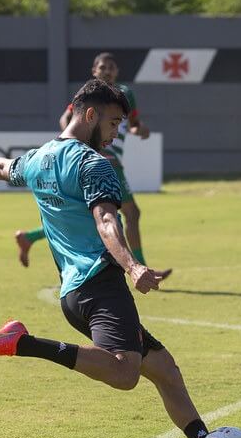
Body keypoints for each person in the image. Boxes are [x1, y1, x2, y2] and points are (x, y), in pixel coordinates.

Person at [0, 79, 218, 438]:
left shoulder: (40, 158)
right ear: (90, 114)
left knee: (164, 370)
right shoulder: (94, 165)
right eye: (112, 123)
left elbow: (0, 166)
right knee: (125, 373)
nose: (114, 134)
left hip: (74, 294)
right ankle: (22, 343)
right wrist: (134, 265)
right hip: (101, 285)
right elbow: (107, 221)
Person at [15, 53, 168, 279]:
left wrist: (140, 130)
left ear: (116, 72)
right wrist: (82, 146)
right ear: (94, 71)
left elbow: (134, 125)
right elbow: (65, 119)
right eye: (102, 67)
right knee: (130, 213)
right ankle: (141, 266)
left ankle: (31, 237)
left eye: (111, 67)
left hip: (111, 160)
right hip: (103, 161)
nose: (107, 71)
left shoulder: (126, 94)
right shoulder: (89, 94)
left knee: (87, 214)